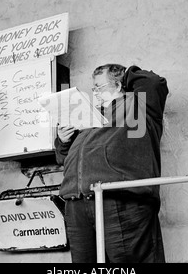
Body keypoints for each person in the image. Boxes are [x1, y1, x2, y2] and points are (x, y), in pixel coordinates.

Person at [55, 64, 169, 263]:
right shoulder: (90, 117)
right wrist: (63, 142)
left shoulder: (137, 107)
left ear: (118, 85)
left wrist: (125, 76)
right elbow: (65, 160)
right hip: (78, 204)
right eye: (93, 89)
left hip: (119, 200)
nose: (95, 93)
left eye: (99, 87)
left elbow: (154, 83)